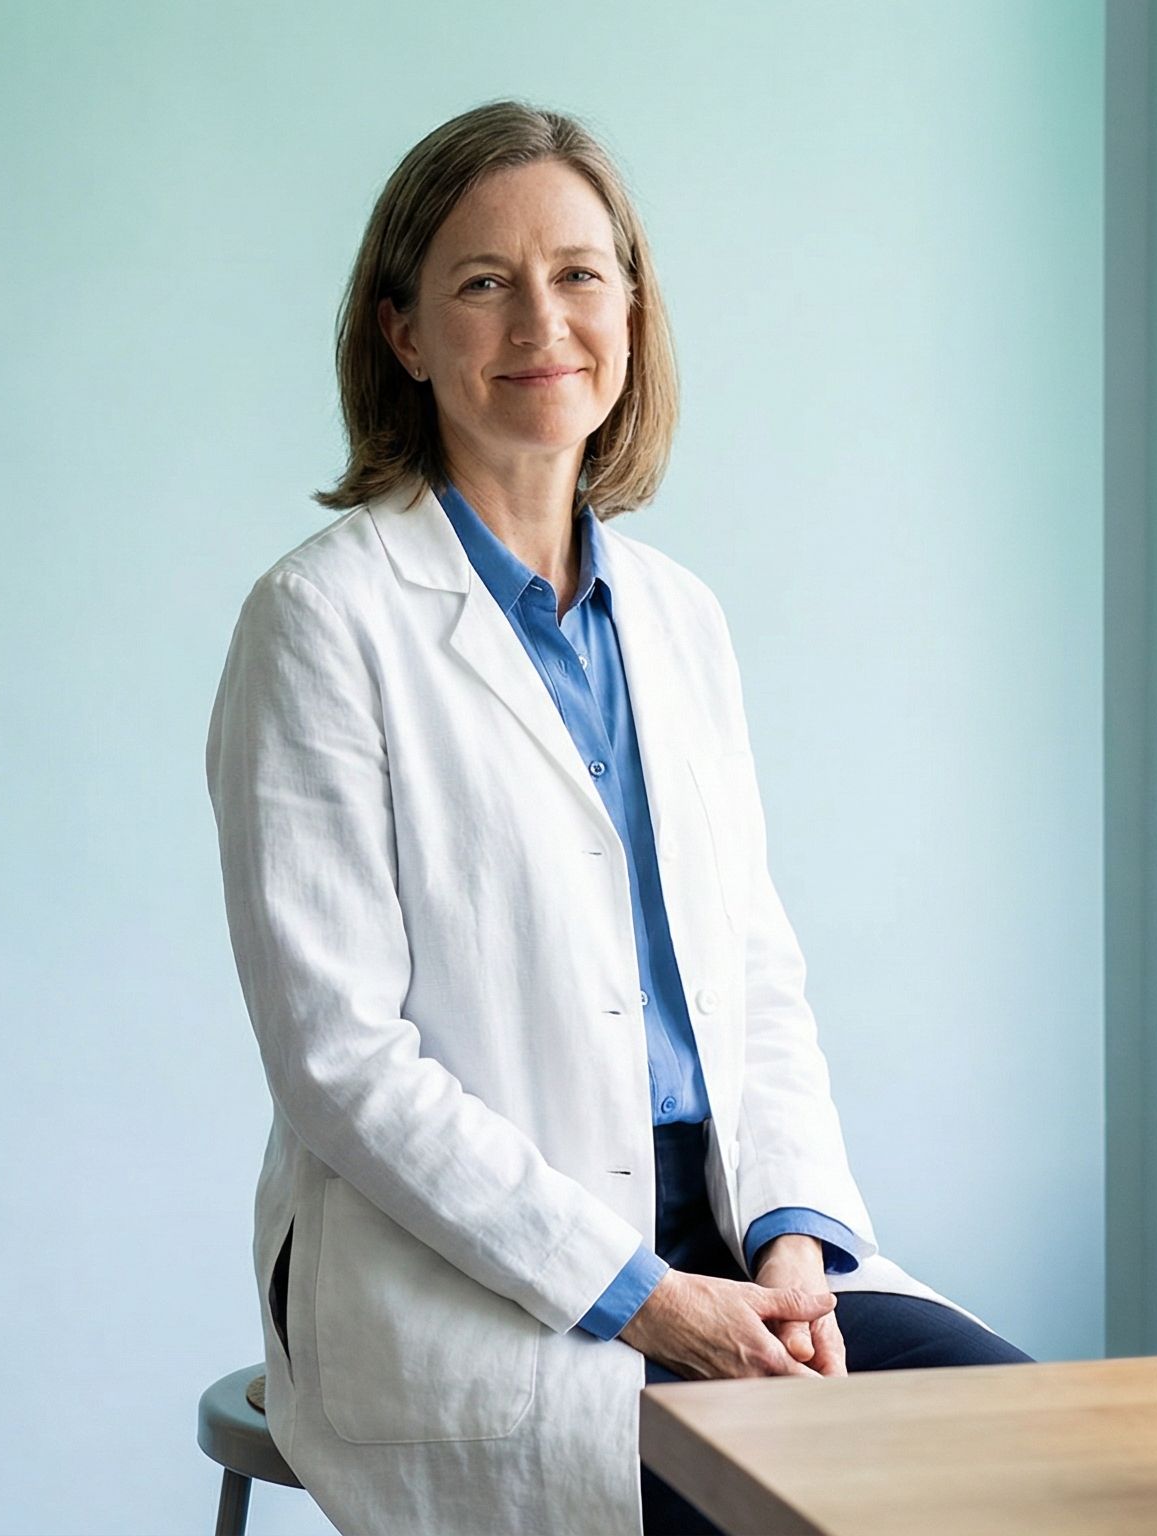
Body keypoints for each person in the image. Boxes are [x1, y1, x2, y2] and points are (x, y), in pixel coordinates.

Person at [204, 98, 1034, 1536]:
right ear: (403, 333)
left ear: (632, 312)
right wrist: (645, 1300)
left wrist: (790, 1239)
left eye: (580, 273)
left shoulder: (679, 619)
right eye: (483, 282)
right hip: (466, 1277)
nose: (543, 320)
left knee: (1041, 1457)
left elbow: (754, 979)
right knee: (775, 1508)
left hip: (729, 1226)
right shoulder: (320, 621)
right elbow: (342, 1063)